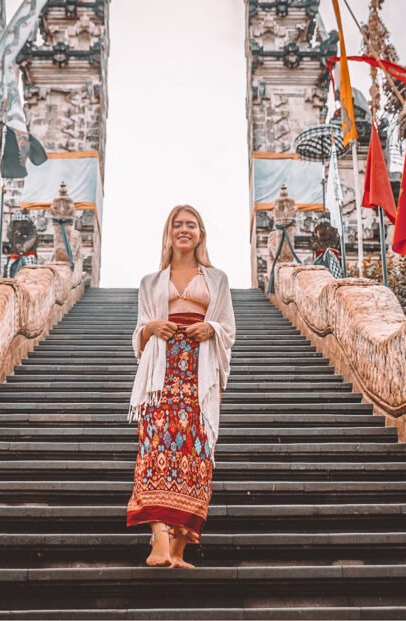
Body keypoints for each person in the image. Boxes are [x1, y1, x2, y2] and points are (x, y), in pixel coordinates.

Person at [126, 204, 235, 568]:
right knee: (155, 448)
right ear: (169, 232)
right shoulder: (150, 282)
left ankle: (179, 548)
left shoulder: (217, 279)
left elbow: (228, 330)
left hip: (198, 377)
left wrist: (211, 329)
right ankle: (158, 537)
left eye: (191, 225)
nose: (184, 230)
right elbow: (139, 333)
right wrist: (151, 328)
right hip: (160, 377)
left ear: (201, 233)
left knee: (195, 455)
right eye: (178, 224)